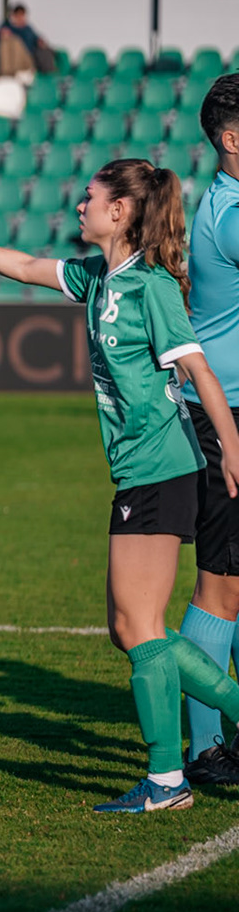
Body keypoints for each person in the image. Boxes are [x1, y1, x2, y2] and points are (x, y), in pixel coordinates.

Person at [0, 160, 239, 813]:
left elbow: (198, 368)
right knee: (131, 629)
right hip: (140, 470)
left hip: (161, 467)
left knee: (135, 625)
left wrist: (231, 445)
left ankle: (167, 781)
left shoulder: (149, 284)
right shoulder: (100, 277)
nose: (81, 203)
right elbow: (26, 266)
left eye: (91, 197)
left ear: (121, 212)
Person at [180, 76, 239, 788]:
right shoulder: (228, 213)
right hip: (227, 413)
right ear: (230, 139)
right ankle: (202, 748)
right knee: (217, 585)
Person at [0, 3, 53, 77]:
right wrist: (0, 37)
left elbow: (38, 40)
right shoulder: (6, 27)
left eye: (22, 15)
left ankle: (10, 73)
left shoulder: (28, 29)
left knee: (15, 41)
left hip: (26, 61)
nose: (20, 18)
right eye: (18, 15)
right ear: (13, 16)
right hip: (9, 62)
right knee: (6, 40)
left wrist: (40, 42)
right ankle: (6, 73)